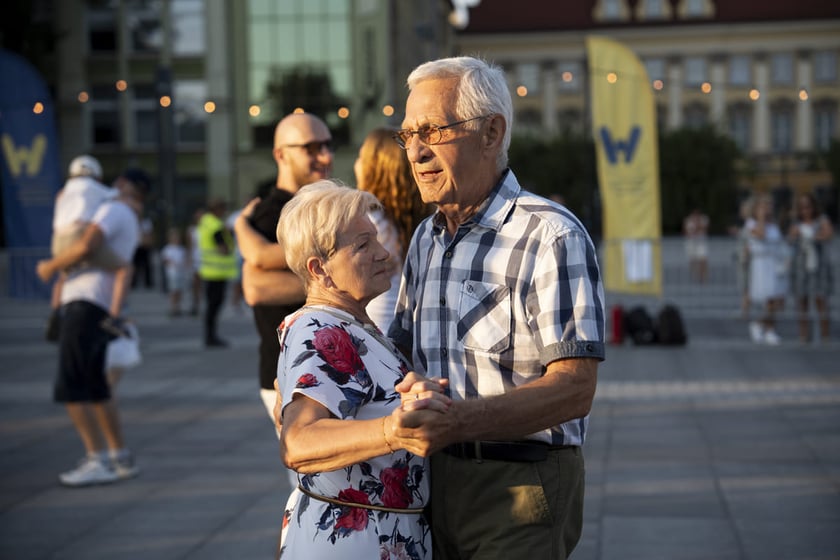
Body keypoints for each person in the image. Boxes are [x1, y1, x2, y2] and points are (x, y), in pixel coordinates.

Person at [385, 56, 606, 559]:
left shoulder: (551, 234)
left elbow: (575, 389)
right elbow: (401, 356)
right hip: (433, 480)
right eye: (407, 135)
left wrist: (459, 421)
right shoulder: (426, 237)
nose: (415, 152)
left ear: (491, 132)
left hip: (522, 485)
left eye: (432, 131)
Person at [274, 180, 442, 559]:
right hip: (356, 542)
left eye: (376, 239)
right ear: (320, 269)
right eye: (363, 245)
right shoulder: (320, 330)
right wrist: (393, 429)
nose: (384, 253)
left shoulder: (350, 325)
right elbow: (299, 442)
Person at [35, 168, 149, 487]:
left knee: (72, 387)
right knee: (98, 387)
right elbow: (121, 268)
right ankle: (119, 456)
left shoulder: (113, 210)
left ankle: (96, 457)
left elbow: (87, 244)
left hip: (84, 301)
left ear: (123, 184)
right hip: (98, 306)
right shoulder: (133, 220)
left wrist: (51, 266)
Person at [233, 113, 331, 450]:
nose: (325, 156)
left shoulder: (319, 206)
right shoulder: (270, 214)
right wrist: (340, 285)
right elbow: (256, 288)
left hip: (329, 368)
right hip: (288, 375)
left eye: (328, 145)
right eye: (311, 148)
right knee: (313, 483)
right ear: (281, 154)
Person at [353, 126, 432, 331]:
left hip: (377, 333)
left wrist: (255, 239)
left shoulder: (369, 223)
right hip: (412, 334)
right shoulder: (424, 223)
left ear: (375, 167)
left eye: (362, 157)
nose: (356, 164)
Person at [45, 155, 126, 340]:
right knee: (123, 269)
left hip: (59, 240)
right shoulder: (95, 188)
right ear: (96, 175)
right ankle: (114, 317)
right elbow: (116, 199)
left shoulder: (63, 193)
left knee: (62, 276)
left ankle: (54, 314)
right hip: (80, 236)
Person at [788, 193, 834, 343]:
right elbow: (790, 238)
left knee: (821, 300)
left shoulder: (821, 220)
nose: (805, 210)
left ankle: (825, 335)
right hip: (801, 266)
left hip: (819, 266)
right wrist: (795, 235)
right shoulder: (797, 223)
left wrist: (814, 236)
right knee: (802, 300)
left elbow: (828, 233)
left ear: (813, 207)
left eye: (807, 206)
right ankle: (804, 334)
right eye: (802, 207)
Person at [745, 193, 787, 345]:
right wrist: (761, 218)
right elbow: (761, 235)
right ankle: (766, 328)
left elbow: (779, 243)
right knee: (769, 298)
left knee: (777, 299)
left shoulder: (773, 225)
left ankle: (763, 326)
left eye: (768, 206)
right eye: (763, 206)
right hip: (761, 265)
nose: (767, 209)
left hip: (774, 264)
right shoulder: (751, 224)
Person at [196, 198, 238, 347]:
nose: (224, 212)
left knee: (210, 306)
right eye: (223, 209)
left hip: (208, 271)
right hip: (217, 272)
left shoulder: (205, 222)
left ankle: (209, 336)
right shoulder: (216, 226)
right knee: (214, 306)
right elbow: (223, 249)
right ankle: (211, 337)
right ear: (217, 210)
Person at [161, 226, 189, 317]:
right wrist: (172, 264)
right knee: (173, 291)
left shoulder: (182, 249)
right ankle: (173, 308)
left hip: (181, 272)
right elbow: (165, 260)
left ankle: (178, 307)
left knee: (180, 291)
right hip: (172, 273)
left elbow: (185, 259)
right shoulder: (167, 249)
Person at [683, 207, 709, 283]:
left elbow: (703, 229)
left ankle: (703, 277)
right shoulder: (688, 220)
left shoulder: (704, 219)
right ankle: (696, 275)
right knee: (692, 260)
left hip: (701, 243)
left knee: (703, 259)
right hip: (691, 243)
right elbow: (687, 232)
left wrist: (696, 227)